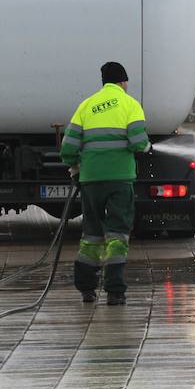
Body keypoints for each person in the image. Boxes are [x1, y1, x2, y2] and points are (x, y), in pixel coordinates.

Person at [60, 62, 151, 306]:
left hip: (90, 180)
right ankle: (115, 291)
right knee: (117, 234)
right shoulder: (130, 105)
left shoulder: (87, 105)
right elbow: (138, 142)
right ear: (123, 82)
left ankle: (87, 289)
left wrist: (74, 166)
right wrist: (146, 146)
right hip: (120, 180)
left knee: (91, 234)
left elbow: (68, 147)